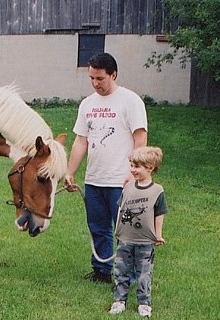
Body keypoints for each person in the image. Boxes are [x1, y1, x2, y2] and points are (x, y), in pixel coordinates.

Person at [64, 52, 148, 283]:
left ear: (114, 74)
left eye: (100, 78)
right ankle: (101, 271)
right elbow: (81, 141)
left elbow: (140, 138)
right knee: (98, 228)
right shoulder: (87, 104)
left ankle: (127, 277)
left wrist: (135, 175)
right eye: (91, 78)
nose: (95, 83)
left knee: (126, 231)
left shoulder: (130, 101)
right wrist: (70, 172)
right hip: (94, 180)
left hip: (121, 181)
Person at [108, 146, 167, 317]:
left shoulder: (157, 191)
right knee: (121, 271)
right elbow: (120, 209)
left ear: (150, 168)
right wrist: (118, 229)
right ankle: (119, 301)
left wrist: (158, 234)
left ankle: (144, 303)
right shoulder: (127, 188)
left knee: (143, 274)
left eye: (137, 166)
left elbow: (159, 214)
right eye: (131, 165)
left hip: (145, 242)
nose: (133, 170)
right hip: (125, 239)